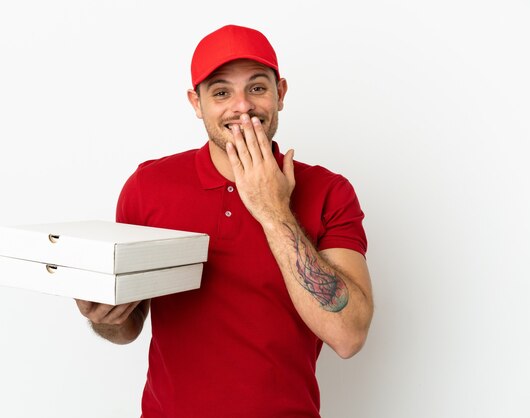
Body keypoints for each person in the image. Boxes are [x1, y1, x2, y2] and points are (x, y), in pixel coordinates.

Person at [76, 24, 374, 418]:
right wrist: (104, 317)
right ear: (196, 103)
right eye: (221, 92)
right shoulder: (148, 187)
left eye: (257, 87)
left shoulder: (329, 191)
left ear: (280, 94)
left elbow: (348, 335)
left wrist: (272, 209)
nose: (242, 106)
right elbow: (128, 326)